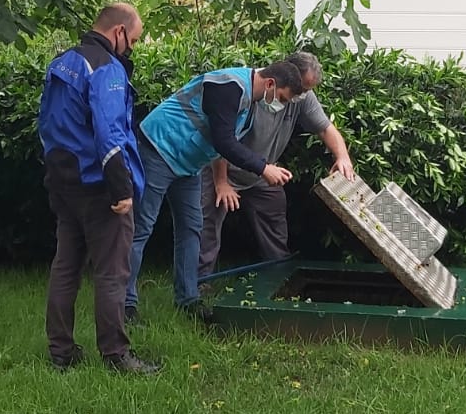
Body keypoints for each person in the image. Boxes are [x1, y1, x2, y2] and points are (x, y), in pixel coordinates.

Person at [125, 60, 306, 324]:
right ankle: (125, 305)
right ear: (270, 83)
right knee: (141, 228)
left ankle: (188, 299)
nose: (279, 105)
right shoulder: (228, 86)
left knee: (192, 227)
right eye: (281, 97)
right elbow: (224, 141)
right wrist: (263, 168)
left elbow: (223, 142)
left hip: (188, 164)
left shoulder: (251, 103)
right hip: (159, 149)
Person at [37, 3, 160, 375]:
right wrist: (121, 188)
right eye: (133, 40)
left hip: (62, 180)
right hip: (98, 184)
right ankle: (116, 356)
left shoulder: (61, 63)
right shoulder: (106, 69)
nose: (132, 49)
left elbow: (47, 122)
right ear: (118, 32)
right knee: (112, 272)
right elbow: (109, 133)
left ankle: (61, 352)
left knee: (66, 266)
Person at [200, 52, 354, 278]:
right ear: (286, 75)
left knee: (274, 214)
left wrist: (342, 157)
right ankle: (197, 285)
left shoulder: (302, 97)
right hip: (222, 170)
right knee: (207, 229)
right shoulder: (251, 89)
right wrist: (221, 182)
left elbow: (325, 128)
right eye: (299, 89)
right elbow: (222, 141)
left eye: (307, 91)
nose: (301, 96)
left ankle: (279, 276)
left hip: (263, 171)